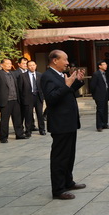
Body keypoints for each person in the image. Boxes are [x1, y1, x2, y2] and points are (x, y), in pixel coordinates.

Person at [40, 50, 86, 200]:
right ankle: (58, 189)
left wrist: (77, 82)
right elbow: (51, 98)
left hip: (69, 121)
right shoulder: (47, 76)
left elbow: (67, 92)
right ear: (55, 60)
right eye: (64, 60)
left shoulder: (60, 75)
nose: (67, 63)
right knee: (60, 157)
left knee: (69, 155)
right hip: (60, 123)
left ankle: (68, 181)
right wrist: (67, 85)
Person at [0, 58, 26, 142]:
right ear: (2, 65)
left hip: (15, 99)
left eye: (10, 63)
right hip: (5, 100)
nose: (10, 65)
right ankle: (3, 137)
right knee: (4, 120)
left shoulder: (13, 74)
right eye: (7, 63)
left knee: (17, 119)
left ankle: (19, 134)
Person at [18, 60, 46, 136]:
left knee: (40, 114)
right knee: (28, 115)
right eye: (30, 65)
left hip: (38, 97)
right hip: (28, 97)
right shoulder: (22, 76)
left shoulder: (40, 75)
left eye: (33, 65)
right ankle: (28, 130)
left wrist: (43, 96)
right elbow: (20, 89)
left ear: (36, 65)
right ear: (27, 67)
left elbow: (43, 86)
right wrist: (22, 98)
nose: (32, 67)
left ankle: (42, 129)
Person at [89, 60, 109, 132]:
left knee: (105, 110)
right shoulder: (96, 74)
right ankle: (99, 126)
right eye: (104, 64)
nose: (106, 65)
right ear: (99, 66)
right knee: (100, 110)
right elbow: (92, 86)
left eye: (106, 64)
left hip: (105, 94)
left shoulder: (105, 74)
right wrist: (94, 94)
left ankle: (105, 124)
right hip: (99, 95)